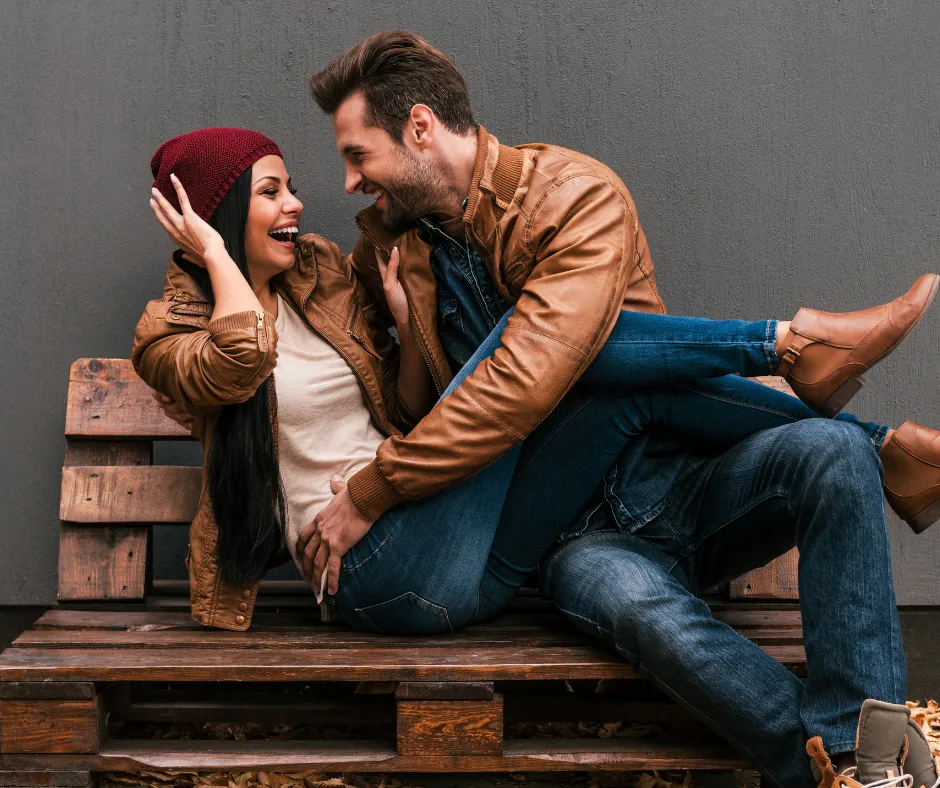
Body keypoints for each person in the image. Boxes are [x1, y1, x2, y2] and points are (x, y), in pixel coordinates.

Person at [290, 31, 940, 788]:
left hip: (682, 484)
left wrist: (378, 485)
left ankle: (862, 756)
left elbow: (524, 380)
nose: (346, 182)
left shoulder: (574, 195)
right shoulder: (405, 255)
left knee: (829, 453)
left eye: (357, 154)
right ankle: (856, 766)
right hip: (571, 537)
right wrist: (406, 326)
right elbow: (453, 412)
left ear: (421, 127)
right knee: (640, 604)